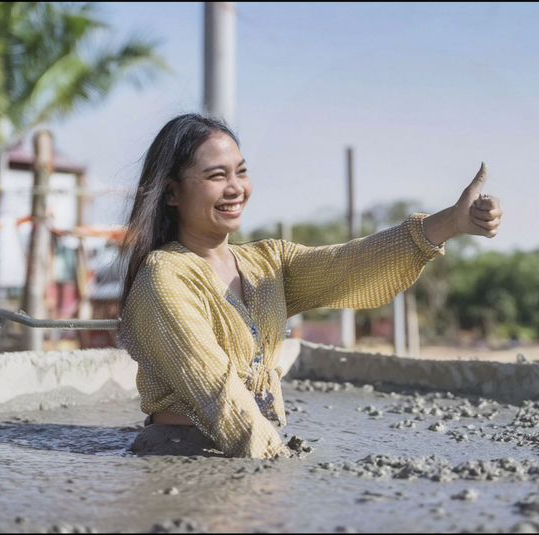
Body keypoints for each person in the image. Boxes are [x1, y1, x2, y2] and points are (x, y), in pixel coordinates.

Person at [118, 113, 503, 460]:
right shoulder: (164, 277)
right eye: (216, 176)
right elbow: (215, 391)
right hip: (180, 453)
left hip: (252, 443)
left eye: (241, 171)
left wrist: (451, 222)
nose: (236, 188)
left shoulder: (267, 262)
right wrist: (275, 463)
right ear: (171, 192)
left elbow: (350, 264)